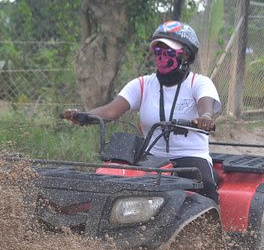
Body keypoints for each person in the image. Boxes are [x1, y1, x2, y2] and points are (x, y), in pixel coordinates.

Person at [62, 20, 222, 203]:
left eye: (169, 51)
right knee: (117, 183)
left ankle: (211, 229)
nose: (162, 56)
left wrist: (206, 118)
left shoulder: (199, 82)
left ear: (185, 55)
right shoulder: (142, 84)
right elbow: (111, 111)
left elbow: (205, 105)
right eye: (158, 51)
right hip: (151, 158)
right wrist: (82, 115)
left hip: (190, 156)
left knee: (205, 186)